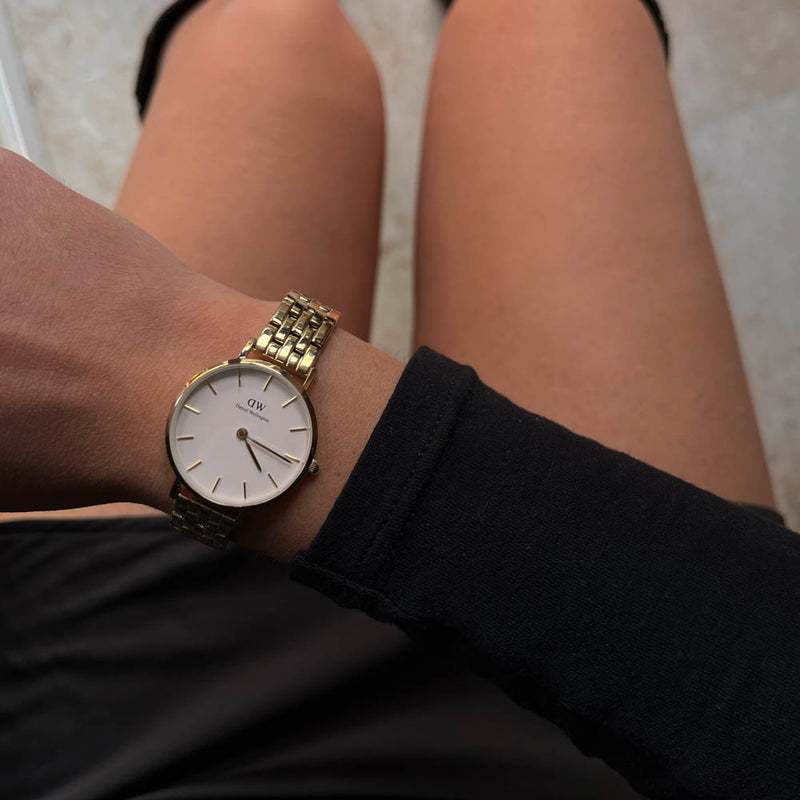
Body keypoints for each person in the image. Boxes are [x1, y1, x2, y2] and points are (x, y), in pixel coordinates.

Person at [0, 0, 795, 797]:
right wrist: (138, 361)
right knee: (560, 17)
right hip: (644, 695)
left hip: (115, 671)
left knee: (265, 25)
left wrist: (149, 362)